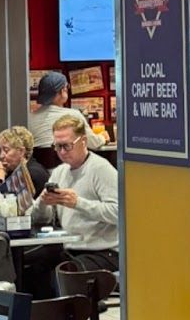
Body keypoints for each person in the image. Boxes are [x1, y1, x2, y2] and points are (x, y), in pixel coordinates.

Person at [21, 112, 119, 297]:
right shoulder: (59, 172)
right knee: (29, 272)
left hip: (104, 251)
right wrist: (43, 203)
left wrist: (78, 203)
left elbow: (118, 213)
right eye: (57, 147)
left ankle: (74, 315)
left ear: (83, 141)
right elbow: (40, 218)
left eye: (67, 146)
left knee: (62, 276)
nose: (62, 152)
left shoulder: (101, 169)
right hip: (70, 247)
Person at [27, 71, 105, 154]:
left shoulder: (29, 118)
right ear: (62, 90)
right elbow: (94, 143)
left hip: (36, 166)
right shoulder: (73, 115)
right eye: (66, 87)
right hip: (68, 165)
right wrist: (103, 137)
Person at [0, 125, 48, 215]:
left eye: (6, 150)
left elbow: (9, 212)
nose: (1, 156)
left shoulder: (34, 174)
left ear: (21, 151)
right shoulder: (10, 171)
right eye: (0, 150)